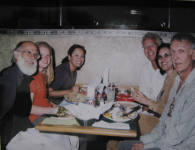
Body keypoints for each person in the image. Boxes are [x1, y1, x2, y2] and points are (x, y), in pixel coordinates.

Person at [118, 33, 195, 150]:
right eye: (173, 52)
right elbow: (164, 120)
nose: (176, 57)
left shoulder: (192, 89)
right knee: (124, 144)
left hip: (179, 146)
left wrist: (147, 146)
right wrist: (145, 140)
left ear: (193, 54)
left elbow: (177, 136)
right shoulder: (177, 81)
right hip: (164, 139)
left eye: (181, 51)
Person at [0, 41, 40, 149]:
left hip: (23, 130)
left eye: (36, 54)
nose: (33, 57)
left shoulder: (24, 76)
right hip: (11, 136)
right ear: (16, 55)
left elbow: (23, 111)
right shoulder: (10, 76)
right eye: (28, 52)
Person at [132, 43, 177, 135]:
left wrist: (147, 101)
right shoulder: (168, 78)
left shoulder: (177, 80)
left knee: (127, 122)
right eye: (160, 57)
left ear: (174, 57)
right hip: (159, 120)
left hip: (166, 127)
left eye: (166, 55)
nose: (162, 59)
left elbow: (171, 112)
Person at [29, 41, 58, 124]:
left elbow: (40, 99)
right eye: (41, 55)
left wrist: (52, 104)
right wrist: (52, 110)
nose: (46, 58)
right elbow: (28, 108)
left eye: (48, 55)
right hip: (35, 120)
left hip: (45, 114)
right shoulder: (31, 77)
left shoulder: (41, 75)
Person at [139, 32, 165, 100]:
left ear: (159, 47)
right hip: (148, 107)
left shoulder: (167, 68)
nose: (149, 49)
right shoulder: (145, 69)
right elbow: (143, 92)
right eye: (145, 47)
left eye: (152, 45)